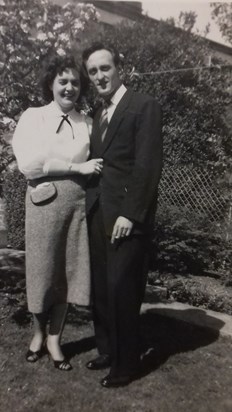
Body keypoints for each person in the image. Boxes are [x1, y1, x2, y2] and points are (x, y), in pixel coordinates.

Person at [12, 53, 103, 371]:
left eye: (75, 82)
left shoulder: (88, 123)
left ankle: (55, 339)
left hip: (76, 204)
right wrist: (76, 166)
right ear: (50, 84)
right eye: (62, 81)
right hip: (42, 201)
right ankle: (37, 335)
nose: (69, 87)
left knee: (67, 273)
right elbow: (30, 164)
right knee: (42, 272)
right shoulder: (33, 117)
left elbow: (99, 164)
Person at [82, 42, 163, 387]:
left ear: (119, 67)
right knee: (101, 286)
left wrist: (131, 214)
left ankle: (127, 364)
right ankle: (107, 350)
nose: (100, 76)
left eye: (105, 68)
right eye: (93, 71)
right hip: (98, 211)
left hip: (126, 218)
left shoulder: (144, 106)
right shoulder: (99, 114)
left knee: (121, 288)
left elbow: (147, 166)